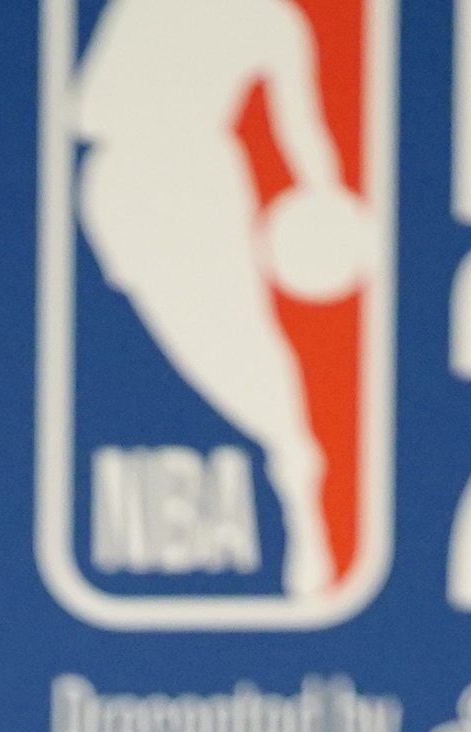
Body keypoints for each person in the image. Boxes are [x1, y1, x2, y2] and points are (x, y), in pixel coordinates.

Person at [71, 0, 366, 601]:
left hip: (193, 179)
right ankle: (294, 464)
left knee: (240, 342)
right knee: (170, 348)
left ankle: (301, 482)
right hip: (115, 182)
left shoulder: (275, 26)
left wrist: (328, 205)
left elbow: (300, 128)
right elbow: (83, 107)